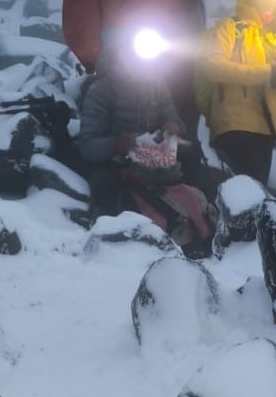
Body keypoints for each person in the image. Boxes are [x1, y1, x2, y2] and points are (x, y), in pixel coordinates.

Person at [76, 30, 214, 255]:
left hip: (153, 161)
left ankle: (206, 224)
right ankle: (116, 243)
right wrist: (117, 144)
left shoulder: (157, 86)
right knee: (105, 183)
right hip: (117, 164)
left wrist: (173, 125)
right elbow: (88, 146)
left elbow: (173, 118)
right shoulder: (102, 90)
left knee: (191, 154)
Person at [200, 0, 276, 187]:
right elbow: (213, 67)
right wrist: (268, 72)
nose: (272, 1)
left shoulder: (273, 39)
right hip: (234, 125)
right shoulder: (230, 27)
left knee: (256, 192)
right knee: (253, 191)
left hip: (266, 129)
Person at [154, 0, 215, 196]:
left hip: (192, 81)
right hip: (163, 77)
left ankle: (190, 207)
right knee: (164, 142)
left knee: (187, 142)